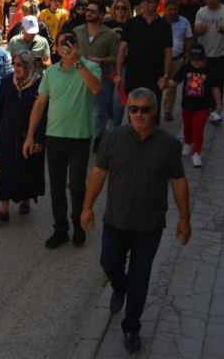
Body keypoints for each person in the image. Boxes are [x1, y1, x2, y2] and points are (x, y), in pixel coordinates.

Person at [80, 88, 191, 355]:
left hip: (149, 226)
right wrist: (87, 208)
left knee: (140, 279)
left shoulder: (168, 145)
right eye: (133, 109)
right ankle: (119, 287)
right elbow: (98, 174)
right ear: (127, 110)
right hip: (116, 221)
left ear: (154, 111)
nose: (139, 114)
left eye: (145, 109)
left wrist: (185, 219)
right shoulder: (113, 139)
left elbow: (179, 182)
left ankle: (131, 327)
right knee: (109, 263)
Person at [24, 31, 101, 249]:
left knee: (77, 186)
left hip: (79, 138)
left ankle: (79, 225)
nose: (67, 47)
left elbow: (96, 88)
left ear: (77, 45)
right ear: (56, 49)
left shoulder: (90, 66)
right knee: (56, 187)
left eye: (71, 43)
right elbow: (40, 104)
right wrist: (30, 135)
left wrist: (78, 63)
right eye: (62, 44)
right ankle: (60, 229)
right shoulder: (51, 73)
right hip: (54, 137)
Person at [0, 51, 46, 221]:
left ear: (28, 65)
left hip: (28, 136)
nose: (16, 68)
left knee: (26, 168)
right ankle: (3, 210)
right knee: (5, 169)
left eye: (20, 65)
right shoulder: (7, 81)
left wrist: (39, 138)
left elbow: (44, 114)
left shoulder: (39, 83)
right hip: (7, 134)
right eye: (14, 64)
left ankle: (25, 200)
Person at [114, 0, 173, 112]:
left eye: (149, 1)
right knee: (134, 110)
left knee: (152, 111)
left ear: (157, 4)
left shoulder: (164, 25)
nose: (145, 4)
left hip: (155, 76)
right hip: (134, 75)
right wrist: (119, 74)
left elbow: (167, 52)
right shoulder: (131, 23)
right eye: (143, 1)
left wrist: (166, 76)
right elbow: (122, 49)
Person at [74, 1, 120, 151]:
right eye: (87, 10)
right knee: (79, 109)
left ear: (101, 15)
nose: (88, 13)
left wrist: (103, 61)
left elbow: (116, 57)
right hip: (79, 79)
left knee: (100, 112)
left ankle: (98, 138)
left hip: (102, 79)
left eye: (93, 11)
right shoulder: (77, 31)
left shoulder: (111, 35)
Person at [169, 45, 221, 168]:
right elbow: (175, 82)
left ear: (204, 59)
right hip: (186, 105)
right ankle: (187, 143)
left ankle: (196, 152)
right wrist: (165, 83)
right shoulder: (185, 69)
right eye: (194, 59)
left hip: (203, 107)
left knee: (198, 128)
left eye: (199, 60)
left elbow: (215, 88)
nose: (196, 63)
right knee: (187, 126)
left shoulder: (209, 72)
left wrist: (219, 103)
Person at [161, 0, 193, 122]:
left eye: (175, 9)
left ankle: (168, 110)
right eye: (170, 9)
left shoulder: (184, 22)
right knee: (158, 84)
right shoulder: (159, 21)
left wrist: (187, 56)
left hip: (177, 59)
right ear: (165, 9)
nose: (173, 12)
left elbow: (188, 39)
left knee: (172, 86)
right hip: (160, 60)